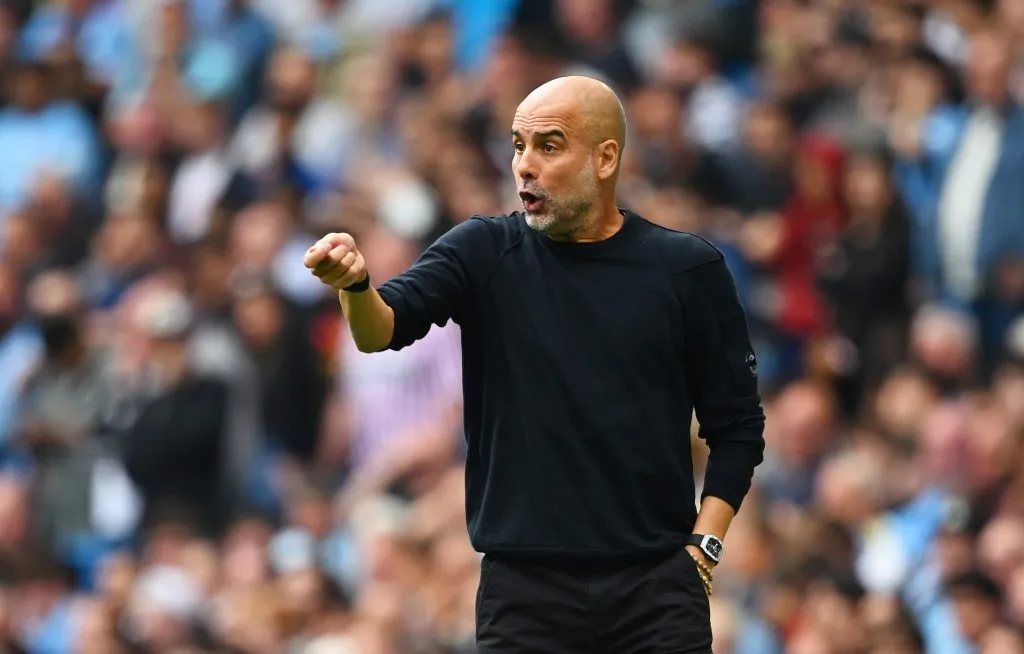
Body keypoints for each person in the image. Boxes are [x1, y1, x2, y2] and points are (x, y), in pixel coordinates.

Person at [305, 76, 766, 653]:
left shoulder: (687, 270)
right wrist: (355, 286)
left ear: (605, 158)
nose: (524, 165)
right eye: (518, 146)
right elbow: (382, 329)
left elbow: (739, 430)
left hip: (655, 593)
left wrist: (706, 547)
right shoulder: (482, 251)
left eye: (548, 146)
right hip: (525, 596)